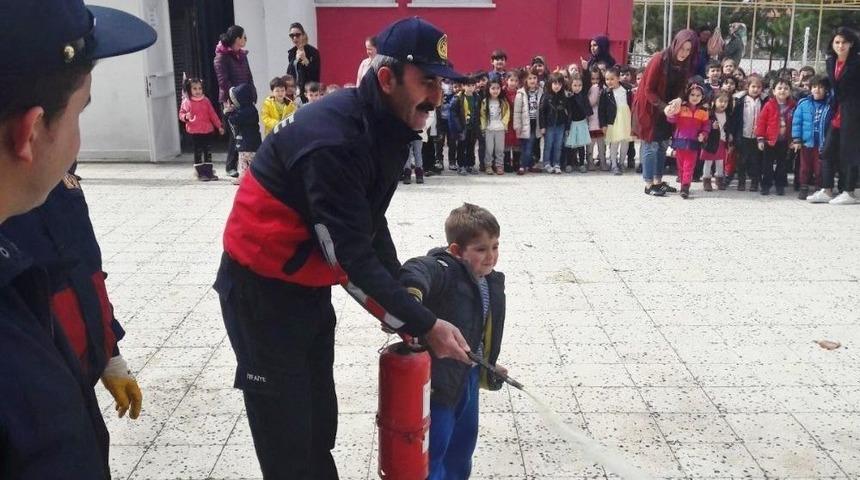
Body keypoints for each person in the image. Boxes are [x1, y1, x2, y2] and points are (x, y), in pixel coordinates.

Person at [214, 17, 472, 479]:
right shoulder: (335, 140)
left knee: (318, 422)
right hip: (261, 293)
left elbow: (370, 222)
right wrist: (423, 324)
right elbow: (349, 260)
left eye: (442, 82)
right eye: (427, 81)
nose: (437, 97)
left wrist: (405, 295)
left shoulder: (387, 124)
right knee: (287, 440)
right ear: (387, 78)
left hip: (305, 285)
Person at [0, 1, 154, 477]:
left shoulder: (43, 191)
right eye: (78, 114)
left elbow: (82, 265)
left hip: (70, 367)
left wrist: (108, 352)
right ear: (31, 133)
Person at [398, 203, 508, 480]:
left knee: (462, 448)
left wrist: (489, 366)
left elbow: (479, 331)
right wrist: (411, 300)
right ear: (456, 250)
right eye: (481, 249)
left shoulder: (488, 281)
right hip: (440, 385)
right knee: (435, 452)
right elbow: (416, 270)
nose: (491, 256)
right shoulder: (444, 269)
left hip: (468, 379)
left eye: (495, 246)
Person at [633, 29, 698, 196]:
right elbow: (648, 89)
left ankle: (658, 181)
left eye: (688, 50)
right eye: (682, 48)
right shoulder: (659, 59)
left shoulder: (685, 63)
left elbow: (684, 86)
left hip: (668, 108)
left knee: (662, 144)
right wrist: (664, 107)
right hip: (650, 106)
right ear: (675, 44)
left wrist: (678, 99)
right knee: (650, 144)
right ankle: (648, 184)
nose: (684, 53)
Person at [823, 27, 860, 205]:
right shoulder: (831, 61)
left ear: (851, 43)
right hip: (837, 110)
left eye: (844, 42)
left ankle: (849, 191)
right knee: (828, 150)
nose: (840, 46)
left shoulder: (857, 63)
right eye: (837, 42)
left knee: (849, 152)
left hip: (854, 111)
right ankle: (827, 189)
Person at [214, 25, 255, 178]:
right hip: (230, 100)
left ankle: (243, 164)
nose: (245, 40)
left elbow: (248, 75)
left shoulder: (243, 55)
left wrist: (252, 91)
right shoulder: (221, 57)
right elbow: (223, 81)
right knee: (234, 133)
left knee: (244, 132)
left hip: (245, 98)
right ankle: (231, 166)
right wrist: (233, 97)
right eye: (244, 37)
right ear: (237, 38)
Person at [665, 83, 711, 198]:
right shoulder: (682, 108)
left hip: (693, 142)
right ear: (687, 95)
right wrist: (671, 114)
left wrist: (703, 134)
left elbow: (706, 126)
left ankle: (686, 186)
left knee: (689, 165)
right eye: (692, 94)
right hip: (680, 141)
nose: (695, 97)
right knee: (680, 165)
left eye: (698, 95)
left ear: (702, 97)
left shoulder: (703, 112)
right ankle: (682, 183)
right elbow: (672, 120)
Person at [792, 76, 832, 200]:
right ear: (810, 89)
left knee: (819, 167)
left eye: (821, 87)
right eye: (814, 87)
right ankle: (803, 186)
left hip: (822, 142)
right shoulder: (803, 104)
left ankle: (819, 188)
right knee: (805, 166)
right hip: (806, 142)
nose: (817, 90)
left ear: (826, 90)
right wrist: (797, 139)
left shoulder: (830, 105)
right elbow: (797, 122)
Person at [755, 78, 795, 196]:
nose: (782, 91)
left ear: (790, 91)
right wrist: (760, 138)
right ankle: (766, 185)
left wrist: (793, 139)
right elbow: (761, 122)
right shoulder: (768, 105)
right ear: (774, 91)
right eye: (779, 88)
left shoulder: (793, 105)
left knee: (782, 165)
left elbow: (796, 123)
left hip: (785, 141)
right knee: (767, 164)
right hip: (769, 140)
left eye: (786, 88)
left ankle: (780, 185)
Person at [179, 77, 224, 181]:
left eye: (199, 88)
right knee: (198, 151)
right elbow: (181, 114)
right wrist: (186, 116)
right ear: (189, 90)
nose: (198, 91)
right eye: (194, 89)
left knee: (208, 151)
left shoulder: (206, 100)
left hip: (207, 130)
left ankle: (209, 172)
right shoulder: (186, 101)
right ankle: (200, 172)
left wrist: (219, 126)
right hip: (195, 131)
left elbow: (212, 114)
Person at [730, 75, 766, 192]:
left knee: (755, 161)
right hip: (743, 135)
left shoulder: (764, 101)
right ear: (747, 87)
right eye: (753, 86)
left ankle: (754, 183)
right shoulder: (740, 100)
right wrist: (732, 134)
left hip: (757, 137)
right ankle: (741, 182)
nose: (756, 89)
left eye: (759, 87)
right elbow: (734, 119)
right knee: (742, 160)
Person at [599, 66, 634, 175]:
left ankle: (621, 162)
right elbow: (601, 110)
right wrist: (603, 124)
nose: (609, 82)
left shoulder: (627, 90)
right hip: (613, 120)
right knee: (614, 142)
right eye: (607, 79)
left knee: (625, 142)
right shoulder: (605, 93)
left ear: (618, 78)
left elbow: (632, 104)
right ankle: (613, 164)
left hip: (626, 119)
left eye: (612, 79)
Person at [227, 83, 262, 184]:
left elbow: (234, 120)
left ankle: (244, 179)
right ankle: (256, 179)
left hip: (245, 143)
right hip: (254, 143)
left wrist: (228, 113)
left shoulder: (244, 111)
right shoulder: (252, 109)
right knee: (253, 162)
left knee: (243, 162)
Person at [700, 91, 733, 191]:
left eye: (726, 102)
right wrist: (711, 126)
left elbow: (728, 127)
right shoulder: (709, 114)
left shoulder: (727, 114)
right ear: (714, 102)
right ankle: (706, 180)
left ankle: (719, 180)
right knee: (708, 161)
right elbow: (703, 125)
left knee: (720, 161)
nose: (723, 104)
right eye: (721, 101)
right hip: (711, 141)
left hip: (722, 141)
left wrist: (730, 135)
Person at [514, 68, 543, 175]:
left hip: (537, 122)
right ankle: (522, 165)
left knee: (535, 144)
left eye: (534, 78)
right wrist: (517, 126)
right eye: (530, 78)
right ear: (525, 80)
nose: (532, 80)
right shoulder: (521, 93)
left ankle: (532, 164)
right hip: (526, 123)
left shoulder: (541, 91)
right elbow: (517, 112)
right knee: (527, 145)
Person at [540, 72, 570, 174]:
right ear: (550, 84)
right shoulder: (546, 96)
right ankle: (547, 163)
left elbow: (567, 113)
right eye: (555, 83)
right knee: (548, 145)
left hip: (560, 125)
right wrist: (542, 126)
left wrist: (567, 127)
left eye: (559, 84)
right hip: (549, 125)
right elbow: (541, 112)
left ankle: (557, 163)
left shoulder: (564, 97)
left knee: (558, 145)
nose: (557, 86)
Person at [451, 76, 481, 175]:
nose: (471, 88)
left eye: (473, 85)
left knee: (471, 147)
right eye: (468, 85)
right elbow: (454, 114)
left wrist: (478, 126)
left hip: (472, 127)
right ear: (463, 86)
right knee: (461, 147)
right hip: (462, 128)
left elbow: (478, 113)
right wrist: (458, 127)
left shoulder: (477, 97)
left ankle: (470, 165)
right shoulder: (458, 98)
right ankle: (461, 165)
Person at [480, 78, 510, 175]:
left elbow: (507, 113)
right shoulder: (485, 101)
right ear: (488, 89)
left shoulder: (503, 101)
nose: (495, 90)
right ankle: (488, 165)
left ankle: (499, 166)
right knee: (489, 149)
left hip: (500, 129)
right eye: (493, 88)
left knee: (499, 149)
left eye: (497, 88)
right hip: (489, 129)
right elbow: (482, 115)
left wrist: (504, 124)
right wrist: (483, 127)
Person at [287, 22, 321, 101]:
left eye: (297, 35)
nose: (295, 38)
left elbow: (315, 73)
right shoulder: (292, 52)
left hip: (309, 93)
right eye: (292, 36)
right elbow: (289, 73)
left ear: (303, 35)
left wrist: (305, 60)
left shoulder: (313, 52)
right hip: (295, 93)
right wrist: (294, 60)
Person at [565, 74, 592, 173]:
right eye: (575, 85)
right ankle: (569, 163)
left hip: (581, 123)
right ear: (570, 85)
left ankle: (581, 163)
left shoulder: (583, 96)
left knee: (581, 145)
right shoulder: (568, 97)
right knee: (570, 145)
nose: (577, 88)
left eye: (579, 85)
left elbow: (587, 110)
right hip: (571, 123)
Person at [587, 66, 607, 170]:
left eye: (597, 79)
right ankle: (590, 162)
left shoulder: (603, 88)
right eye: (592, 79)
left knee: (601, 143)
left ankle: (603, 162)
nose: (595, 81)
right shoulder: (590, 88)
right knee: (590, 144)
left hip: (601, 120)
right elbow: (590, 103)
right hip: (591, 120)